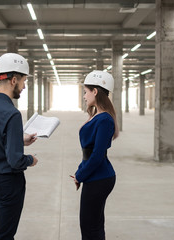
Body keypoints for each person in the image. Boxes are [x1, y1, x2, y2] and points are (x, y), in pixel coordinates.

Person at [0, 53, 38, 240]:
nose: (24, 86)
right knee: (4, 235)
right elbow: (15, 160)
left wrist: (19, 140)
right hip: (9, 182)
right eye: (24, 81)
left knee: (3, 230)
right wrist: (31, 160)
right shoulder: (12, 114)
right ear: (14, 80)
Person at [73, 70, 119, 240]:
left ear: (95, 91)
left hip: (100, 177)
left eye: (86, 91)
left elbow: (98, 155)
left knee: (90, 226)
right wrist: (80, 171)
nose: (84, 96)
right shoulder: (96, 116)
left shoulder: (105, 120)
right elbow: (88, 153)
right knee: (92, 224)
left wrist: (80, 174)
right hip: (94, 175)